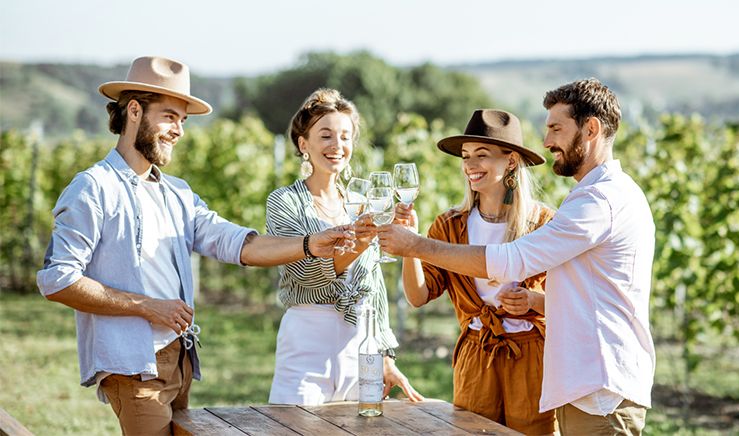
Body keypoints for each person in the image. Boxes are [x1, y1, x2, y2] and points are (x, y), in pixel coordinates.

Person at [36, 56, 352, 436]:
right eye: (170, 116)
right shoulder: (94, 187)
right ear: (134, 111)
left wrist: (309, 244)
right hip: (133, 364)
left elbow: (237, 244)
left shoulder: (178, 193)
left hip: (180, 358)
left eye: (183, 121)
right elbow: (58, 279)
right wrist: (149, 307)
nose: (179, 131)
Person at [378, 78, 655, 435]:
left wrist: (413, 245)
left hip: (594, 384)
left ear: (591, 128)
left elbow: (512, 260)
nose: (548, 140)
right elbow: (582, 295)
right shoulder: (594, 197)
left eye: (556, 128)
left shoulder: (592, 203)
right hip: (578, 382)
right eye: (466, 157)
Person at [394, 109, 558, 434]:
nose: (469, 165)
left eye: (481, 155)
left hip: (530, 357)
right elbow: (417, 297)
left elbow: (569, 302)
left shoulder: (544, 224)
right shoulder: (450, 225)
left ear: (510, 161)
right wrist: (409, 246)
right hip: (476, 353)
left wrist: (532, 301)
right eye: (466, 156)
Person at [265, 88, 423, 405]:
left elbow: (373, 286)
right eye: (326, 136)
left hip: (359, 346)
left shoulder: (364, 205)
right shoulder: (284, 202)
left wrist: (385, 354)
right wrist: (361, 243)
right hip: (307, 342)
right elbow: (305, 273)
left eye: (345, 137)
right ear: (303, 144)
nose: (337, 146)